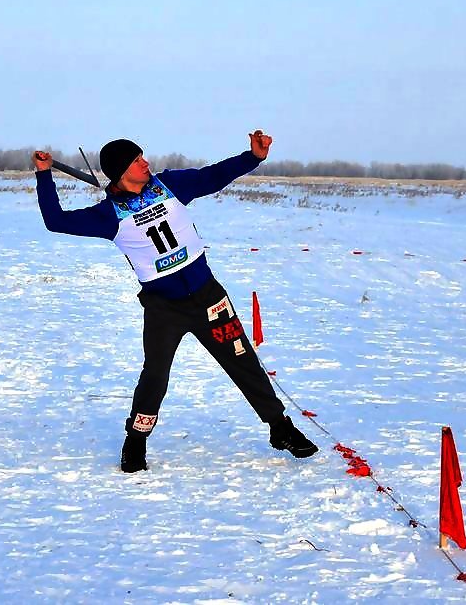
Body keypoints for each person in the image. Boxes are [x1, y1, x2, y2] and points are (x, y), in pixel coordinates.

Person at [33, 131, 318, 472]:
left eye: (143, 156)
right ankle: (135, 442)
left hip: (209, 297)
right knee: (155, 377)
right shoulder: (108, 215)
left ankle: (281, 429)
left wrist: (253, 157)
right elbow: (55, 221)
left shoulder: (169, 186)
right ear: (122, 171)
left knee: (242, 359)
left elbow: (211, 176)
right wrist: (43, 174)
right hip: (163, 309)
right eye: (137, 160)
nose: (145, 162)